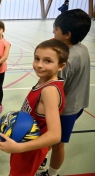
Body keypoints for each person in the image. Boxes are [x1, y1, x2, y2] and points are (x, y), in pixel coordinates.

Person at [0, 39, 69, 176]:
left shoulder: (49, 91)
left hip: (30, 148)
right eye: (37, 59)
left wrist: (20, 147)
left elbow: (55, 135)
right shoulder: (44, 81)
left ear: (61, 66)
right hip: (26, 143)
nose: (39, 65)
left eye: (47, 61)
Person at [37, 9, 91, 176]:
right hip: (79, 103)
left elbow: (51, 89)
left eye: (56, 29)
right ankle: (43, 158)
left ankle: (52, 174)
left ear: (67, 34)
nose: (53, 31)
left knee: (58, 143)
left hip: (65, 110)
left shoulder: (65, 61)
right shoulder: (82, 48)